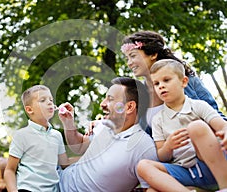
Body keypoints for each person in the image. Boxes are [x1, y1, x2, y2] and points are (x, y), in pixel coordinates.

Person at [137, 59, 227, 191]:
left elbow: (223, 126)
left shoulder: (198, 105)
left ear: (184, 82)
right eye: (156, 83)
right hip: (188, 172)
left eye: (166, 80)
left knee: (196, 127)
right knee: (143, 167)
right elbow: (162, 156)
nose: (161, 86)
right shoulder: (157, 120)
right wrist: (168, 146)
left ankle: (224, 185)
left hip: (214, 164)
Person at [58, 77, 158, 191]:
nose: (102, 104)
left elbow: (150, 188)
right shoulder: (103, 126)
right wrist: (68, 123)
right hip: (56, 180)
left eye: (110, 99)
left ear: (129, 107)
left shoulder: (143, 147)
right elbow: (80, 146)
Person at [121, 30, 226, 134]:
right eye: (127, 58)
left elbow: (215, 115)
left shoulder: (187, 81)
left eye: (133, 56)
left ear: (153, 54)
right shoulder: (138, 96)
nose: (129, 63)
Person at [4, 85, 79, 192]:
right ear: (29, 110)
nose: (49, 103)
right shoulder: (22, 135)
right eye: (42, 100)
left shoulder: (56, 135)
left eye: (51, 100)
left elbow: (65, 163)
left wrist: (90, 156)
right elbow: (9, 170)